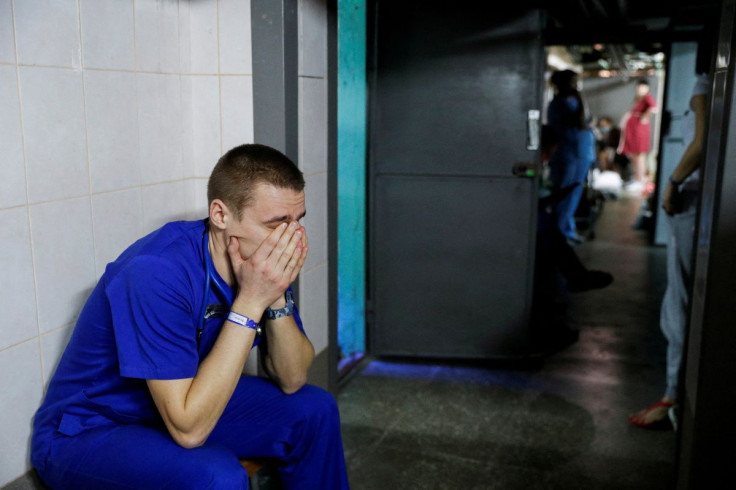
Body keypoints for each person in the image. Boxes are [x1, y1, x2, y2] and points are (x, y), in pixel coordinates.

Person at [30, 144, 351, 489]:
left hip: (179, 400)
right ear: (221, 215)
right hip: (91, 428)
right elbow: (189, 431)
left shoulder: (259, 263)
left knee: (314, 410)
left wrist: (272, 296)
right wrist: (248, 305)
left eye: (298, 222)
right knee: (217, 475)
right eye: (277, 224)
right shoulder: (156, 271)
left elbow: (292, 378)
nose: (293, 239)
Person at [629, 53, 711, 430]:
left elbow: (702, 140)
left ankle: (673, 397)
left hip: (694, 201)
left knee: (679, 304)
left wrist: (673, 182)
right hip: (708, 203)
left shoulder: (706, 83)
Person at [546, 69, 597, 245]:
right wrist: (581, 97)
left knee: (572, 195)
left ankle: (567, 229)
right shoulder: (560, 104)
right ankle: (561, 234)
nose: (577, 86)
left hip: (578, 154)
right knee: (565, 195)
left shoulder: (570, 102)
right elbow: (583, 122)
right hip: (569, 156)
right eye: (574, 83)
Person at [618, 79, 658, 192]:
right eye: (639, 87)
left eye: (643, 87)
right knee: (635, 155)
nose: (640, 89)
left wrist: (644, 117)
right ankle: (637, 178)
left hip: (639, 129)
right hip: (633, 128)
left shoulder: (647, 98)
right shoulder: (638, 99)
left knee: (639, 155)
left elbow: (654, 108)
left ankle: (640, 180)